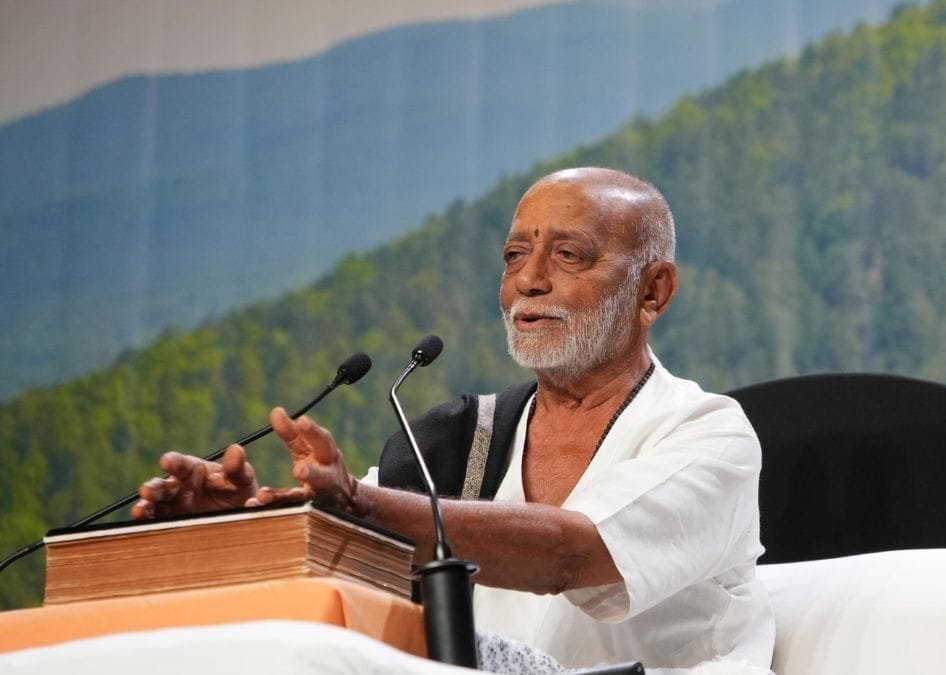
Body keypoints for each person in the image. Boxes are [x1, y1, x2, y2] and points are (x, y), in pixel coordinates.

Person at [133, 167, 775, 673]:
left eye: (568, 255)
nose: (529, 281)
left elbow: (568, 553)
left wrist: (357, 504)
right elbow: (348, 566)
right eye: (514, 255)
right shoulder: (459, 439)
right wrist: (245, 526)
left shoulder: (708, 434)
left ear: (653, 291)